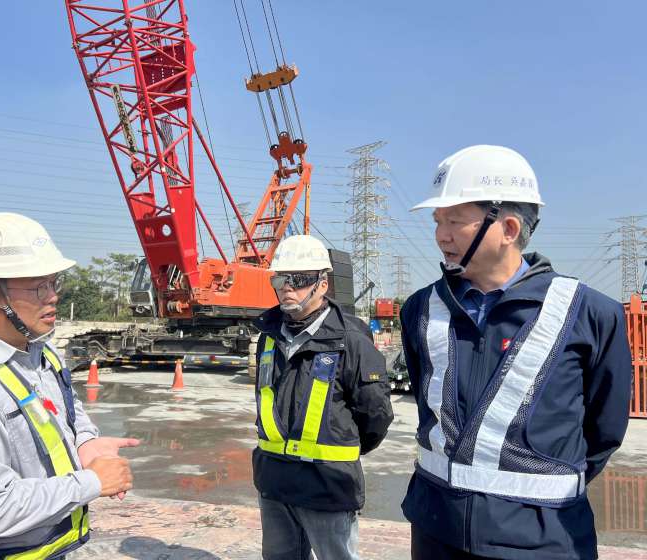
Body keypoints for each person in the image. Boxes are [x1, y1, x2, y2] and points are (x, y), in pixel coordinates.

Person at [400, 145, 632, 559]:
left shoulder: (591, 314)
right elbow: (425, 404)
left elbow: (603, 431)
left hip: (542, 541)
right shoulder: (421, 309)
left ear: (508, 229)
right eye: (438, 221)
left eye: (455, 220)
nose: (441, 235)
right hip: (436, 531)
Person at [0, 212, 139, 560]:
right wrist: (92, 482)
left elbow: (69, 416)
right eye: (38, 287)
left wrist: (87, 443)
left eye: (54, 283)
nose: (52, 297)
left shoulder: (41, 354)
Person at [251, 234, 394, 560]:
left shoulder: (351, 340)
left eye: (299, 280)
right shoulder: (268, 339)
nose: (287, 288)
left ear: (322, 284)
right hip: (274, 482)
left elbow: (375, 415)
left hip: (328, 485)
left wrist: (342, 448)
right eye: (280, 279)